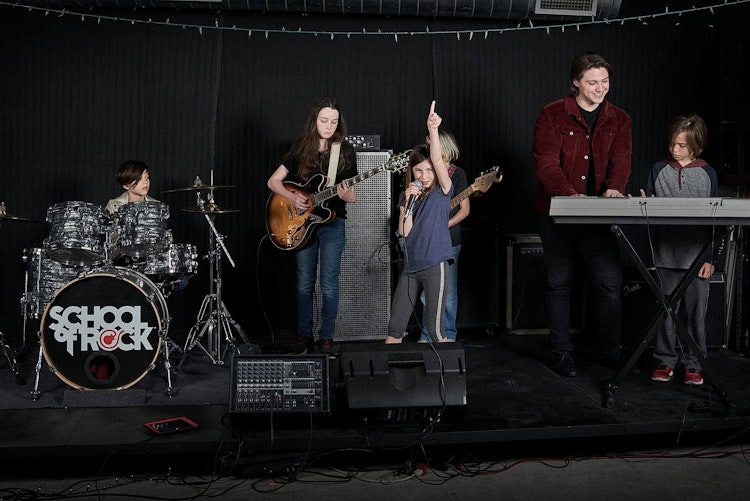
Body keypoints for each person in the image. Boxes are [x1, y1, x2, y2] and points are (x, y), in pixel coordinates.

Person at [532, 52, 632, 377]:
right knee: (559, 283)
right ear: (576, 82)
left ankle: (610, 351)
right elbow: (546, 163)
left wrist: (615, 187)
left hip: (597, 215)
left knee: (609, 284)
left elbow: (622, 159)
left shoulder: (620, 119)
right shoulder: (551, 115)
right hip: (556, 212)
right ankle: (562, 352)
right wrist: (570, 196)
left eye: (605, 81)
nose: (600, 88)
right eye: (592, 82)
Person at [267, 97, 357, 352]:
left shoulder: (345, 150)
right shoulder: (300, 149)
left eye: (334, 121)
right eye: (324, 120)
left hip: (332, 223)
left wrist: (348, 195)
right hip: (303, 226)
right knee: (304, 281)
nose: (329, 126)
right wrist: (291, 196)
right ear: (314, 121)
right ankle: (304, 333)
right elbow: (273, 182)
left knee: (329, 282)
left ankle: (326, 336)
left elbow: (350, 193)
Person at [643, 114, 716, 386]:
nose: (675, 149)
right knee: (666, 313)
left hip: (696, 257)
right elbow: (650, 206)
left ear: (696, 146)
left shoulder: (708, 173)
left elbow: (712, 220)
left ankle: (694, 364)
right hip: (665, 254)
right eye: (673, 143)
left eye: (682, 145)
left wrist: (710, 258)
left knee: (696, 316)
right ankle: (664, 361)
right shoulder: (658, 169)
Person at [386, 101, 453, 344]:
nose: (424, 176)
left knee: (435, 331)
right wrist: (407, 202)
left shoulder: (443, 190)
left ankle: (448, 378)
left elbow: (436, 157)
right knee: (395, 327)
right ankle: (388, 378)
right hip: (411, 268)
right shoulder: (408, 195)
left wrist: (432, 130)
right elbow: (405, 231)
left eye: (428, 171)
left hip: (435, 265)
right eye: (418, 171)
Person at [418, 129, 469, 343]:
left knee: (447, 292)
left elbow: (465, 210)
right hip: (424, 241)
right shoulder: (424, 172)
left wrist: (443, 224)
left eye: (431, 145)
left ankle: (448, 335)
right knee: (425, 291)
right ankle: (427, 335)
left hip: (449, 240)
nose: (428, 149)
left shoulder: (457, 174)